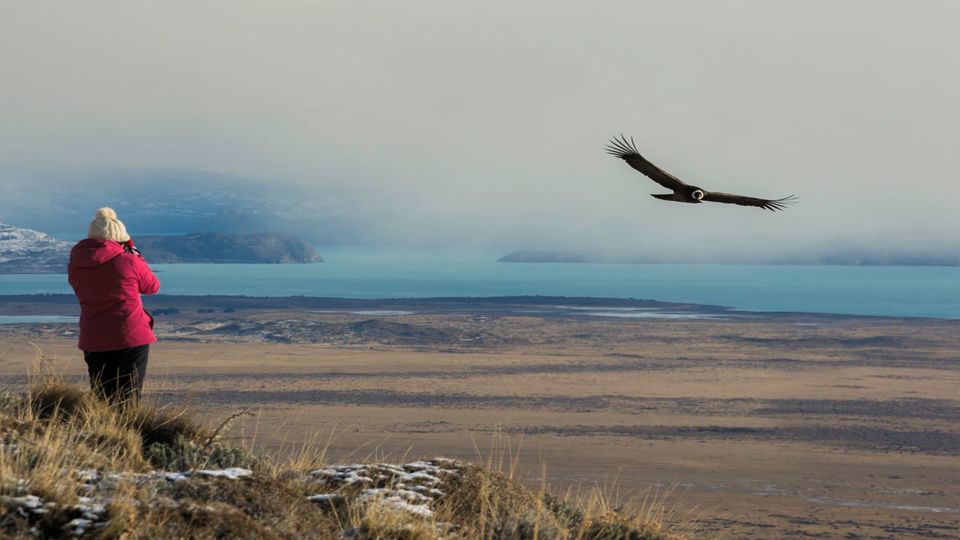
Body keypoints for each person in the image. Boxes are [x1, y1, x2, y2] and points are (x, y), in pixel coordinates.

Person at [68, 207, 160, 404]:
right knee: (128, 397)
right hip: (129, 335)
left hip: (93, 336)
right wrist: (135, 255)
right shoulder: (127, 261)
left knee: (102, 397)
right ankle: (126, 433)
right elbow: (152, 286)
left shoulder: (75, 263)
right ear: (121, 237)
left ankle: (103, 431)